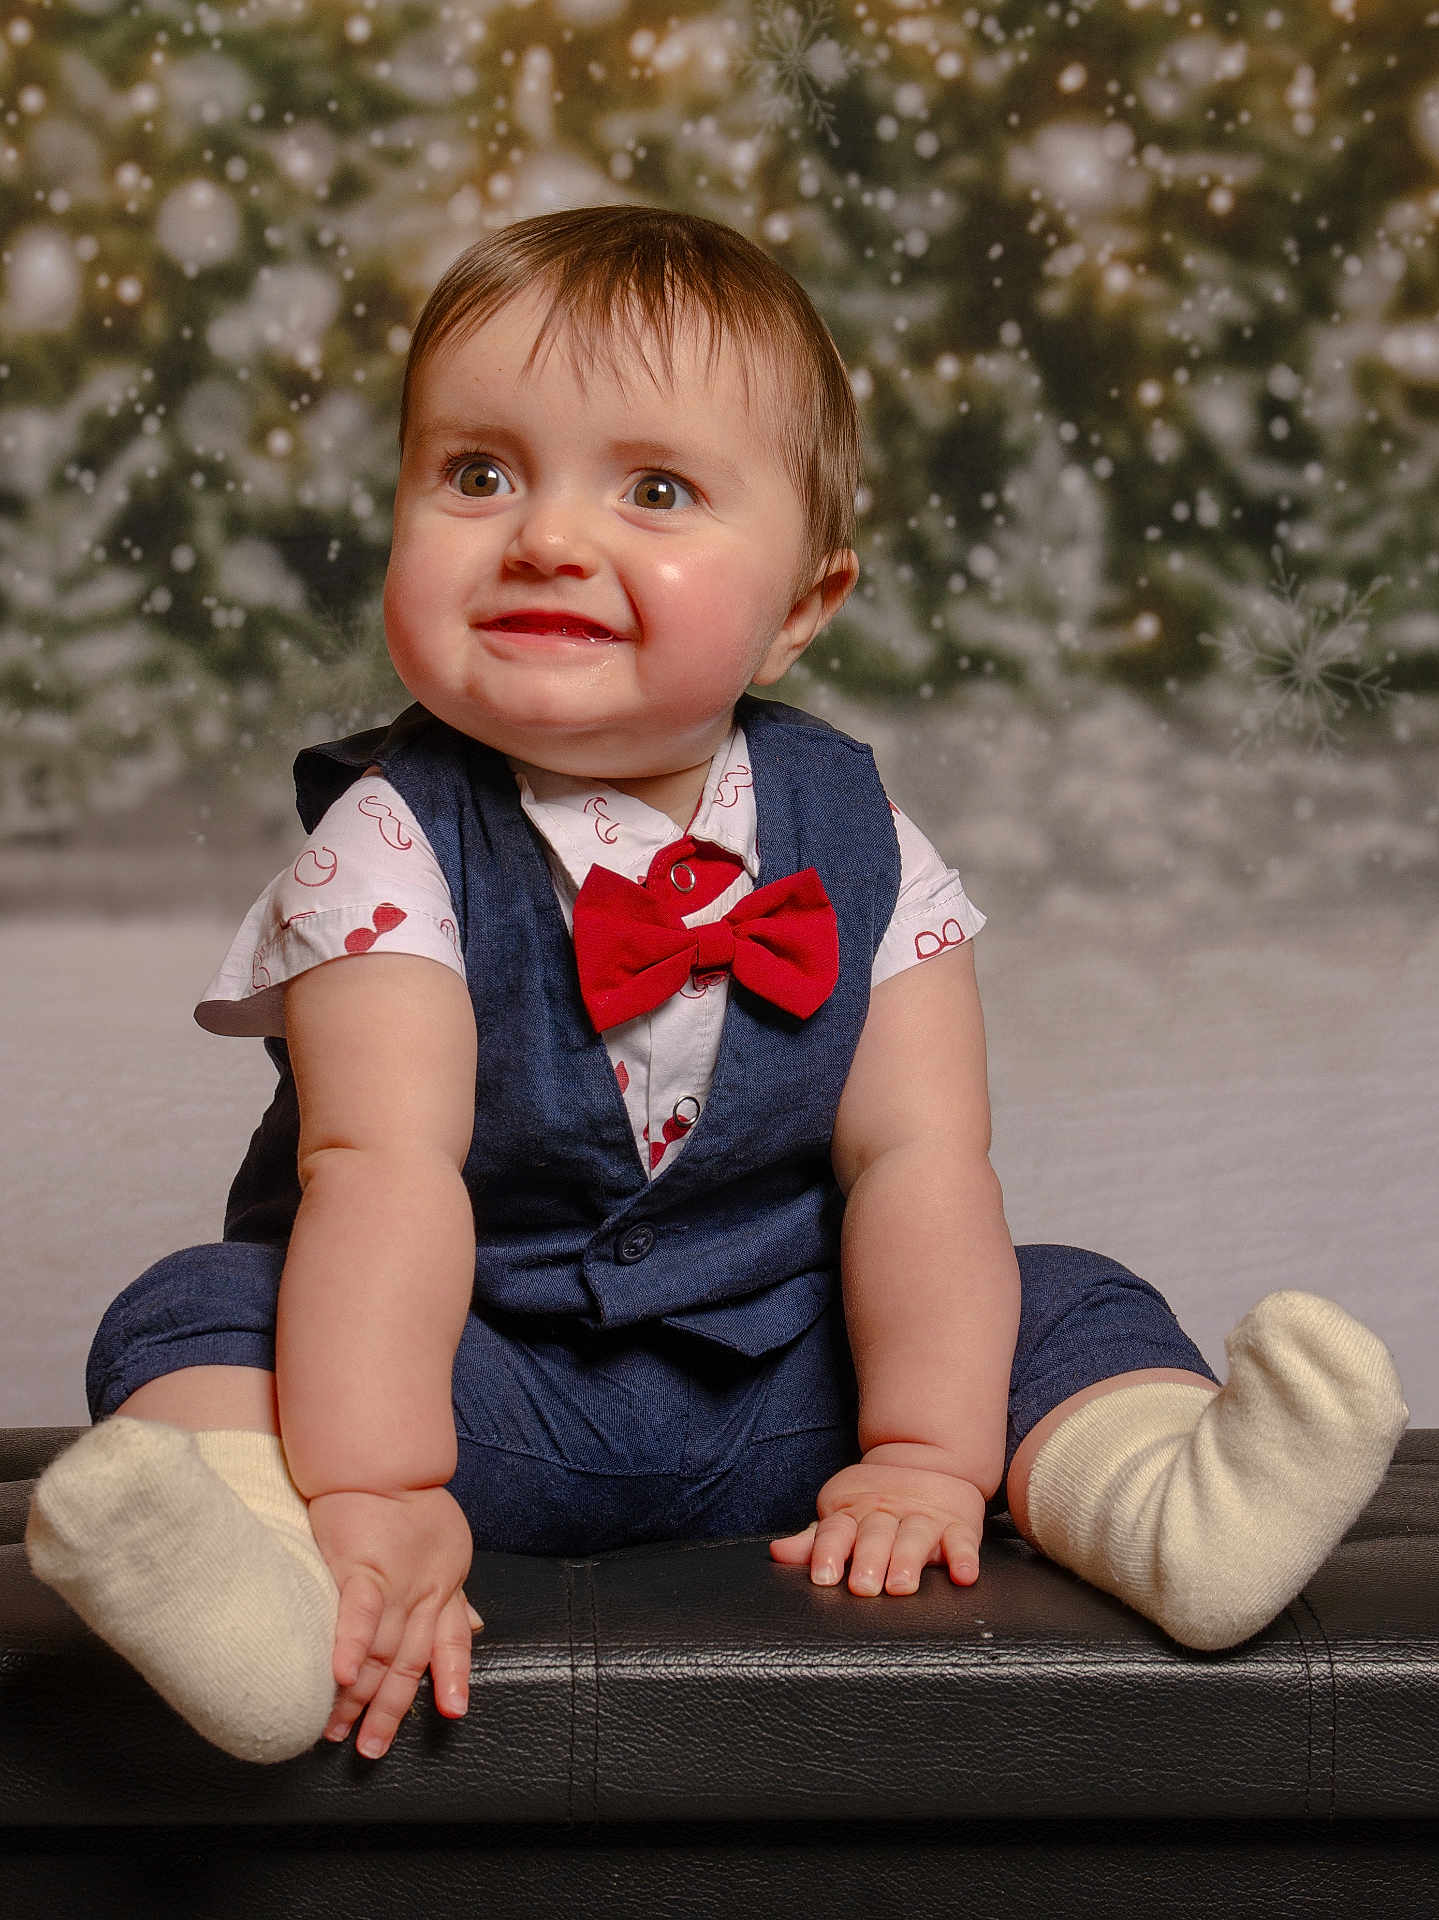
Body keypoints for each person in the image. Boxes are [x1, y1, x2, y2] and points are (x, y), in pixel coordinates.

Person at [26, 205, 1408, 1767]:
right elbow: (379, 1172)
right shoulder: (391, 841)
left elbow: (917, 1161)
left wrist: (922, 1458)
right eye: (477, 474)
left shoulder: (864, 842)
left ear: (805, 604)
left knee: (1055, 1288)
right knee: (202, 1313)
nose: (546, 536)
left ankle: (1166, 1501)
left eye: (658, 489)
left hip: (793, 1398)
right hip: (470, 1394)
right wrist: (386, 1497)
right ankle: (277, 1593)